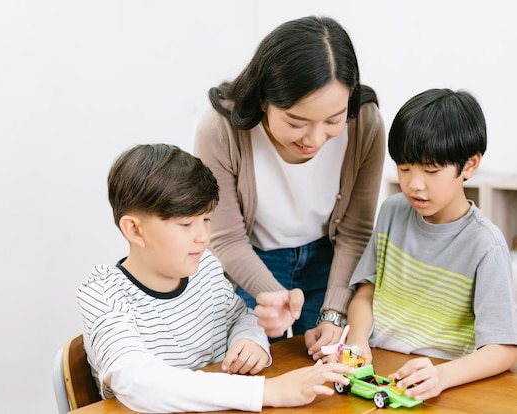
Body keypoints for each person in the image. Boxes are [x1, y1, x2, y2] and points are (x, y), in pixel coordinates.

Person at [76, 143, 356, 413]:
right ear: (135, 230)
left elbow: (239, 316)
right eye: (185, 224)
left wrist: (250, 341)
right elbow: (136, 382)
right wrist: (265, 392)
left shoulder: (205, 266)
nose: (203, 236)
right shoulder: (103, 294)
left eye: (206, 219)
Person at [193, 15, 385, 350]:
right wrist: (272, 294)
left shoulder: (365, 124)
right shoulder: (221, 130)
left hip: (331, 259)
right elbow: (227, 240)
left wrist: (334, 312)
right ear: (265, 99)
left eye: (333, 119)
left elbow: (355, 232)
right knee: (256, 367)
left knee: (324, 366)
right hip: (251, 260)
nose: (314, 137)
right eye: (296, 121)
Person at [344, 88, 517, 401]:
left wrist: (442, 376)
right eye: (405, 168)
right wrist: (357, 340)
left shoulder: (485, 245)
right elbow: (366, 290)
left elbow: (503, 349)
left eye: (432, 170)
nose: (414, 184)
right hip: (378, 370)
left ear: (469, 165)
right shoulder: (392, 212)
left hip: (439, 384)